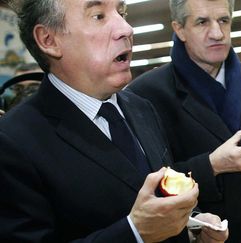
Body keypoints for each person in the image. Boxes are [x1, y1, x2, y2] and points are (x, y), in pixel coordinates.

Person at [0, 0, 228, 242]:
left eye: (122, 12)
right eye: (98, 16)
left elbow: (159, 194)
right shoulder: (14, 142)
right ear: (49, 40)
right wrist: (134, 233)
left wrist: (192, 224)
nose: (126, 28)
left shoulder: (142, 108)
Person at [128, 0, 241, 242]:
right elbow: (148, 184)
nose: (217, 33)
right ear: (179, 29)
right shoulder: (146, 95)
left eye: (223, 21)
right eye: (202, 22)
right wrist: (212, 165)